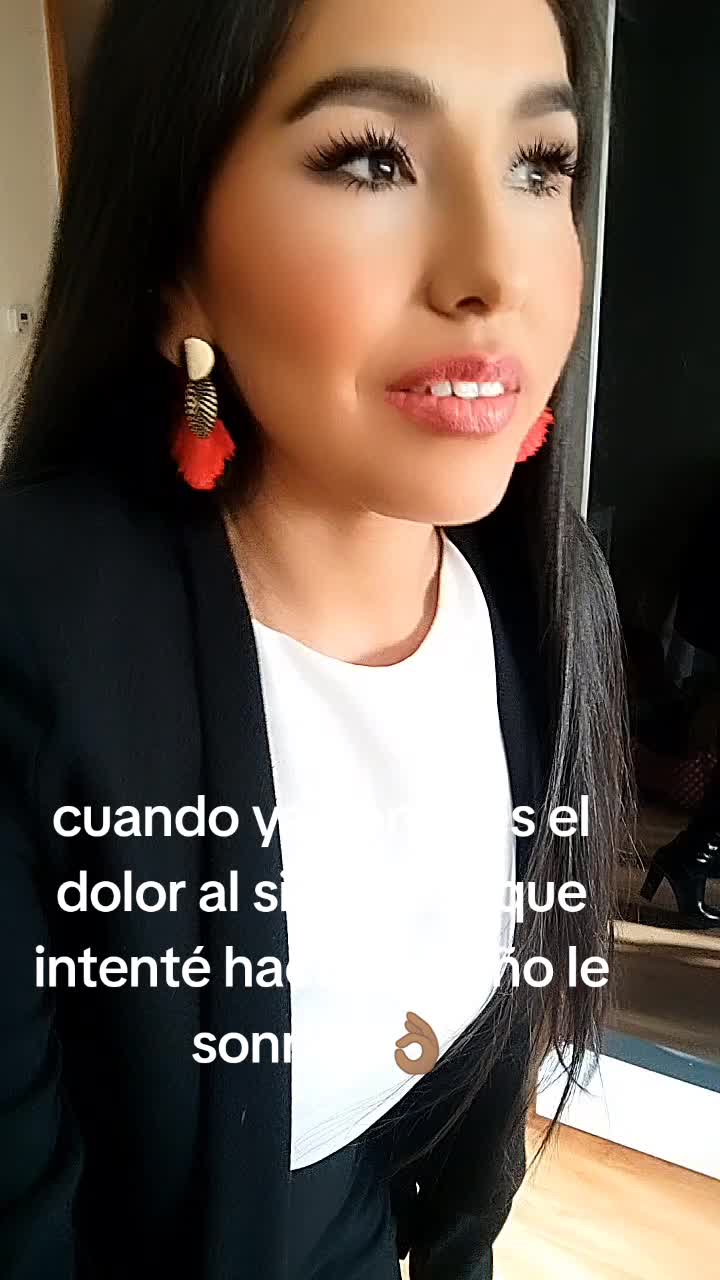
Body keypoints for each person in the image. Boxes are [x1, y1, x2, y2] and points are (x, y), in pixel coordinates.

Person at [0, 1, 635, 1276]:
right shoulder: (35, 636)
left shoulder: (542, 596)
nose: (493, 274)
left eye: (539, 165)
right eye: (372, 159)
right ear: (177, 261)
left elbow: (456, 1140)